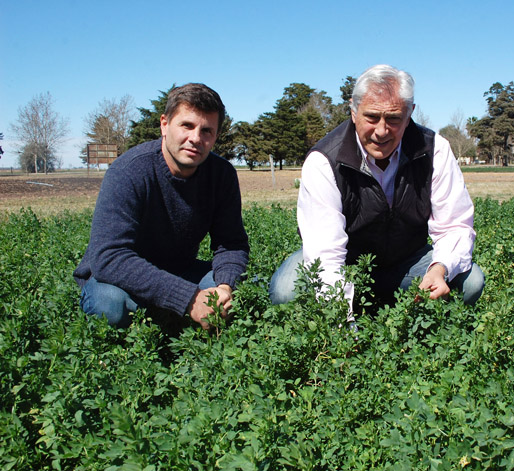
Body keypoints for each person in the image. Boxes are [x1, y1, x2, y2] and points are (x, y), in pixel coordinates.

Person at [269, 64, 484, 317]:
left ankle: (402, 317)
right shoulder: (325, 160)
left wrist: (439, 269)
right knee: (286, 292)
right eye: (371, 117)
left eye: (394, 119)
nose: (381, 131)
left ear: (410, 113)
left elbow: (454, 225)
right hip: (346, 263)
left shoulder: (434, 150)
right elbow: (326, 254)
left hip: (408, 261)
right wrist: (343, 328)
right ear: (353, 111)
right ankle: (364, 306)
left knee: (470, 282)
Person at [74, 83, 250, 330]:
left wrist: (223, 287)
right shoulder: (129, 171)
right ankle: (171, 314)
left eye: (207, 130)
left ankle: (171, 311)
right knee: (110, 305)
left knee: (242, 290)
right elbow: (109, 257)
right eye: (187, 125)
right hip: (118, 279)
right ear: (165, 124)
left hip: (180, 270)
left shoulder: (221, 175)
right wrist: (189, 299)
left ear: (216, 136)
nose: (195, 138)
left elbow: (231, 243)